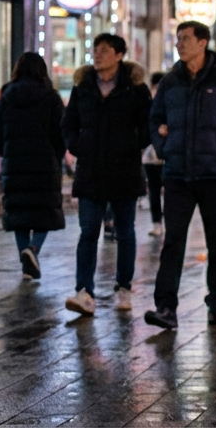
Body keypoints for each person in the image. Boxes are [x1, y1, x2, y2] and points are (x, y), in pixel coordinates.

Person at [144, 21, 216, 329]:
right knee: (172, 242)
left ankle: (215, 301)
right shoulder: (171, 81)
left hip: (214, 175)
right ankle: (166, 307)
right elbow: (155, 118)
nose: (179, 44)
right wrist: (164, 147)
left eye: (185, 39)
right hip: (177, 174)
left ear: (202, 42)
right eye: (177, 39)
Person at [61, 33, 153, 315]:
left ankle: (123, 288)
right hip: (90, 170)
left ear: (118, 55)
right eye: (95, 50)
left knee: (125, 232)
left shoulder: (135, 88)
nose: (97, 55)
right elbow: (69, 124)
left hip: (124, 170)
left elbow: (147, 126)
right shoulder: (83, 86)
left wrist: (129, 147)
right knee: (89, 231)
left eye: (104, 50)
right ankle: (84, 291)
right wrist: (79, 147)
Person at [0, 52, 66, 281]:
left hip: (15, 164)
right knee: (45, 212)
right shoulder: (51, 97)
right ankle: (32, 250)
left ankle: (26, 266)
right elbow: (60, 133)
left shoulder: (7, 96)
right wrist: (56, 157)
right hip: (44, 164)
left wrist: (8, 154)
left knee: (19, 214)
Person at [143, 72, 166, 238]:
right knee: (154, 190)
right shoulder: (147, 105)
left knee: (171, 191)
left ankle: (167, 221)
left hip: (168, 154)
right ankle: (156, 222)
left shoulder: (170, 104)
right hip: (150, 156)